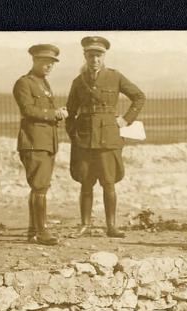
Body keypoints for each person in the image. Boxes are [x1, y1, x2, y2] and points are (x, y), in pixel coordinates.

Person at [65, 36, 145, 238]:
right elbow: (71, 110)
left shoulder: (115, 76)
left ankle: (111, 226)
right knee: (86, 182)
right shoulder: (78, 81)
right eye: (91, 55)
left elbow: (139, 96)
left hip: (108, 137)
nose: (95, 59)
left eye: (98, 55)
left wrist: (126, 120)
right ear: (85, 56)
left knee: (109, 182)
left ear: (104, 56)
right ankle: (85, 224)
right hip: (85, 138)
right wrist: (73, 134)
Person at [13, 44, 68, 246]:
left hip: (45, 142)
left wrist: (57, 112)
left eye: (52, 63)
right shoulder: (24, 83)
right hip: (34, 142)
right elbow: (28, 110)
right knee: (40, 187)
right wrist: (54, 114)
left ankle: (33, 230)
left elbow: (42, 109)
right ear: (35, 60)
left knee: (39, 186)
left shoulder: (43, 83)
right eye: (45, 62)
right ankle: (42, 232)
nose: (49, 66)